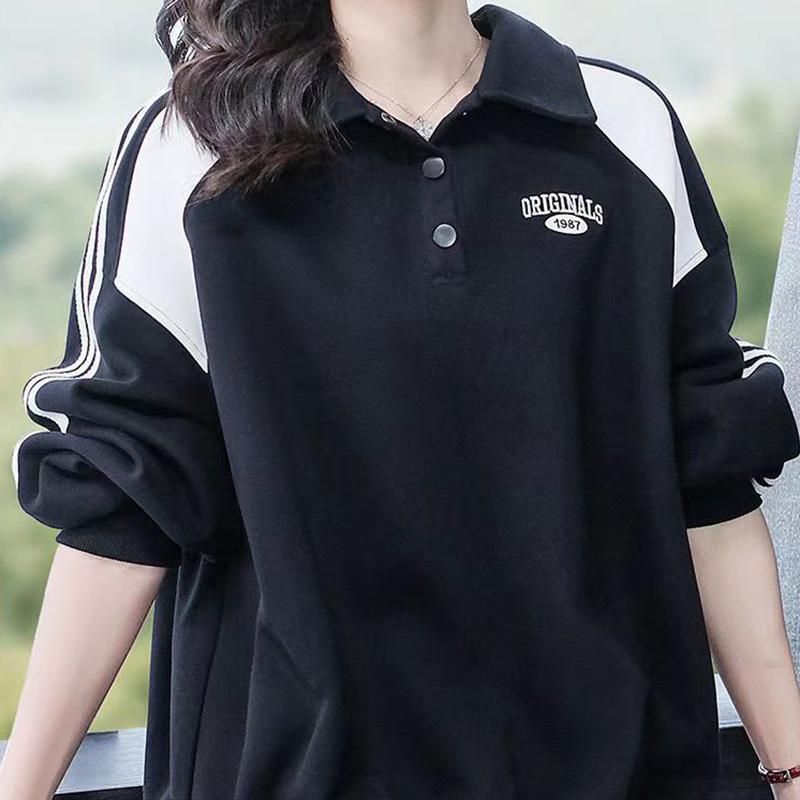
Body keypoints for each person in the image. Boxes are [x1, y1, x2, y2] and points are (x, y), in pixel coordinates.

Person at [1, 2, 800, 799]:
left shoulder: (622, 124)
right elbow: (123, 496)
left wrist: (790, 769)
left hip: (614, 770)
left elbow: (710, 476)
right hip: (294, 775)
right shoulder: (195, 142)